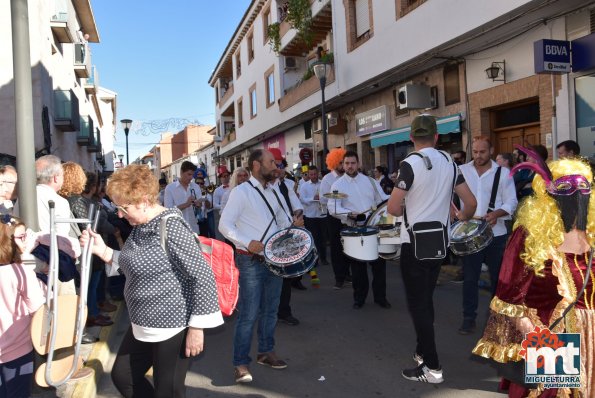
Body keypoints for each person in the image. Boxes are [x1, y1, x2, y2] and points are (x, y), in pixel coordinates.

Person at [80, 164, 223, 397]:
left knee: (167, 390)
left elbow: (202, 275)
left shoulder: (172, 226)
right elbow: (135, 264)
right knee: (124, 376)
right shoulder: (141, 225)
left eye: (123, 208)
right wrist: (101, 249)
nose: (119, 214)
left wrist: (197, 328)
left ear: (144, 201)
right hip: (143, 323)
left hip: (173, 325)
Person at [473, 153, 595, 397]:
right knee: (550, 393)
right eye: (567, 187)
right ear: (549, 193)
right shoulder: (529, 234)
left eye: (584, 186)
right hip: (551, 334)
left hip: (591, 333)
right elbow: (508, 292)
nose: (578, 194)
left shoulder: (591, 230)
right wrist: (535, 336)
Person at [387, 114, 477, 384]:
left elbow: (392, 208)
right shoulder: (450, 162)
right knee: (425, 301)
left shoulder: (410, 164)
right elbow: (470, 204)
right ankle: (421, 350)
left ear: (411, 137)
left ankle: (433, 368)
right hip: (439, 242)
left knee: (419, 306)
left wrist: (412, 204)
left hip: (413, 244)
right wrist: (457, 216)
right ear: (436, 137)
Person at [219, 149, 303, 384]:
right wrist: (247, 242)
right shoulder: (241, 192)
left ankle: (266, 352)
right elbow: (225, 225)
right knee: (249, 314)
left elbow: (282, 220)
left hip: (274, 258)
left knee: (271, 309)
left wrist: (293, 224)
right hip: (250, 260)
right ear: (257, 165)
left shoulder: (275, 189)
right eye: (271, 162)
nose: (275, 165)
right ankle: (240, 362)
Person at [457, 137, 517, 335]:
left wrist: (497, 214)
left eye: (482, 152)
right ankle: (468, 318)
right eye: (475, 151)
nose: (478, 156)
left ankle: (497, 318)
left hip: (496, 233)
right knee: (470, 278)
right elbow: (448, 197)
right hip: (469, 232)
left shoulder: (504, 173)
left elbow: (511, 202)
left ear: (491, 150)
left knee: (497, 278)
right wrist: (456, 213)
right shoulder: (462, 171)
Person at [328, 151, 391, 310]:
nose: (350, 166)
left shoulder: (370, 181)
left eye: (353, 163)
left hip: (375, 228)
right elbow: (333, 208)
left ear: (358, 164)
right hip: (354, 229)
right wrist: (349, 214)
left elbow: (382, 199)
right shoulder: (337, 185)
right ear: (342, 164)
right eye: (347, 163)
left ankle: (380, 297)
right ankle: (359, 298)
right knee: (357, 268)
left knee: (379, 266)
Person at [0, 215, 45, 398]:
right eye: (21, 237)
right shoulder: (19, 272)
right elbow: (38, 309)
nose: (26, 240)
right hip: (17, 349)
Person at [320, 148, 350, 289]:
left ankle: (348, 275)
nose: (343, 165)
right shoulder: (327, 179)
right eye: (340, 162)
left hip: (349, 216)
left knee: (349, 247)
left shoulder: (348, 178)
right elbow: (323, 199)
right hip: (333, 217)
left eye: (343, 162)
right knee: (337, 248)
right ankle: (339, 278)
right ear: (334, 163)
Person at [299, 165, 328, 267]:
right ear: (308, 174)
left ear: (318, 173)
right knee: (313, 238)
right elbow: (302, 199)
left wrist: (322, 198)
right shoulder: (304, 186)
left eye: (315, 174)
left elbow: (328, 196)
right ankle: (314, 260)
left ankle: (323, 258)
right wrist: (313, 198)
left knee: (323, 238)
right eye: (311, 174)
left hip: (322, 214)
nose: (313, 176)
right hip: (310, 216)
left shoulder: (323, 184)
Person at [164, 161, 203, 234]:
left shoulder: (196, 187)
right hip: (177, 231)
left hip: (194, 229)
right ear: (181, 172)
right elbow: (168, 211)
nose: (191, 177)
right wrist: (186, 204)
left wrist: (198, 205)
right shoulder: (170, 188)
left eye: (192, 175)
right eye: (189, 174)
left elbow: (200, 207)